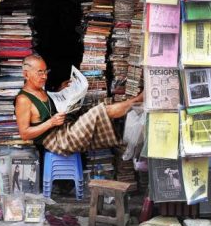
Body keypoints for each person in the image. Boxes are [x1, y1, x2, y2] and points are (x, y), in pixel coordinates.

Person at [14, 54, 143, 155]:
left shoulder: (39, 88)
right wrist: (51, 123)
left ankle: (134, 108)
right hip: (57, 141)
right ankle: (136, 101)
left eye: (45, 71)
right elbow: (24, 134)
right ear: (26, 74)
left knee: (95, 109)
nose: (44, 76)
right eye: (39, 72)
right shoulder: (23, 100)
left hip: (64, 128)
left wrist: (60, 90)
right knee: (98, 112)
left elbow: (48, 106)